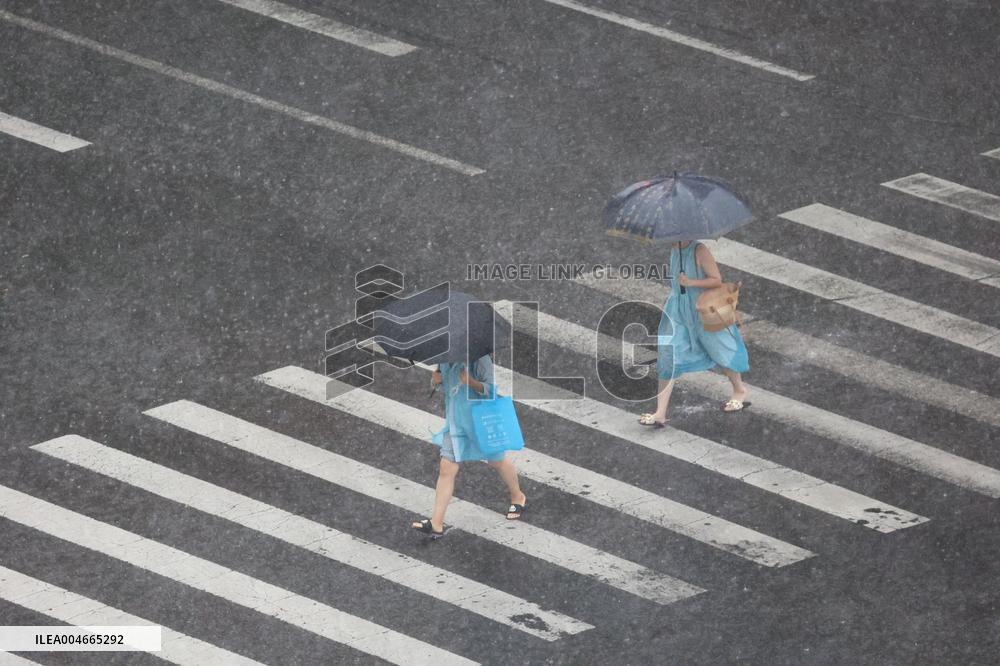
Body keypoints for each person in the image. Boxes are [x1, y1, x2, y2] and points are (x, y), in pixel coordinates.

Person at [411, 354, 527, 538]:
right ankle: (436, 523)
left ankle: (517, 495)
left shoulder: (480, 360)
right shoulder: (446, 358)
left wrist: (471, 382)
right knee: (447, 467)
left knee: (497, 461)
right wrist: (435, 380)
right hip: (455, 423)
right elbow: (448, 388)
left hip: (479, 422)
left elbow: (491, 391)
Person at [638, 240, 750, 427]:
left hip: (703, 310)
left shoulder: (700, 250)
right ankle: (660, 413)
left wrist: (691, 282)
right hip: (678, 310)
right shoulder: (674, 249)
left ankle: (739, 390)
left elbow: (716, 280)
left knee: (719, 349)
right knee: (668, 355)